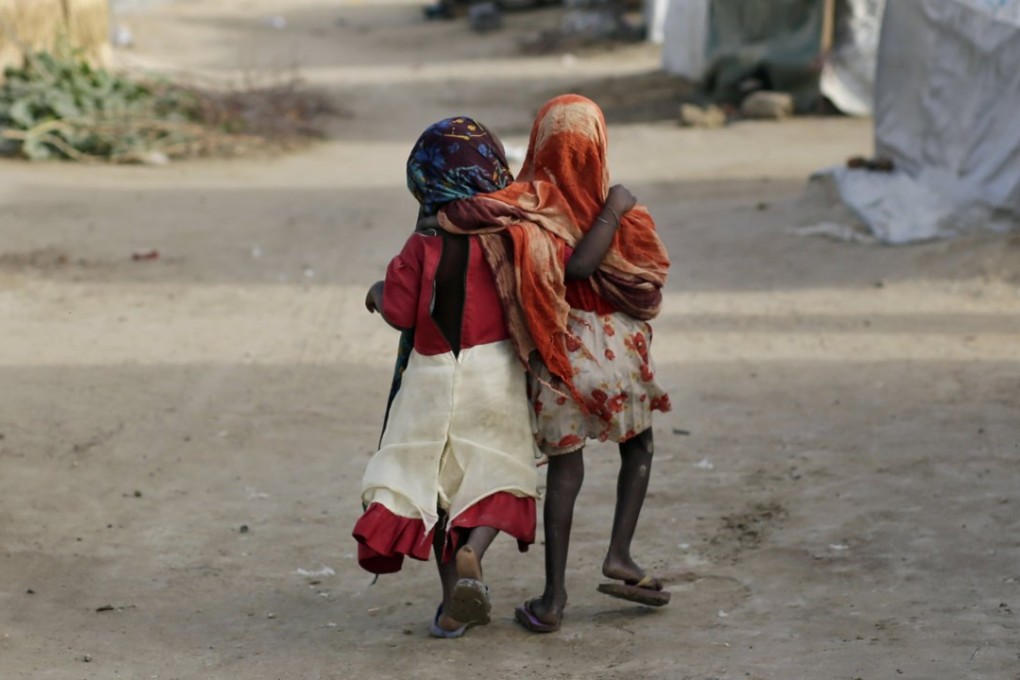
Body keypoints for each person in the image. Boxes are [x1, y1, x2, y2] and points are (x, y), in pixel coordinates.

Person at [436, 94, 672, 632]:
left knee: (567, 469)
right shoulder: (615, 210)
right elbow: (606, 267)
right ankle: (620, 554)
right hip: (620, 354)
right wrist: (613, 209)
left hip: (559, 355)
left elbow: (472, 221)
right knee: (640, 445)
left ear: (538, 144)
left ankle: (553, 599)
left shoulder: (527, 204)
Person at [351, 117, 539, 639]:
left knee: (435, 492)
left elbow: (401, 310)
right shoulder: (507, 241)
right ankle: (474, 554)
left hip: (430, 380)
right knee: (496, 474)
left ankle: (451, 607)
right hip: (492, 376)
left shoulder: (421, 247)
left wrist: (375, 290)